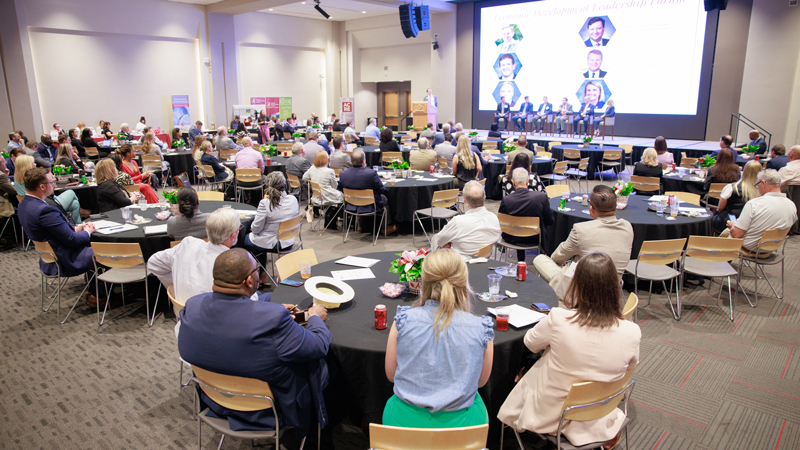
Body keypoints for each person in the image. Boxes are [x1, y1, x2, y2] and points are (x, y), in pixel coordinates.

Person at [177, 248, 330, 434]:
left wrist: (266, 309)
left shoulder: (192, 306)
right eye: (256, 269)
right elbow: (318, 345)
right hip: (268, 410)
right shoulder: (272, 320)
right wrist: (314, 317)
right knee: (329, 363)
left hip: (215, 400)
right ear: (249, 280)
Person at [499, 252, 640, 447]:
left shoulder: (559, 319)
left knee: (529, 363)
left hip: (551, 413)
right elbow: (630, 366)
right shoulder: (632, 331)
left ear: (577, 285)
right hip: (600, 409)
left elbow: (530, 343)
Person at [383, 249, 493, 428]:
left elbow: (391, 375)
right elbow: (481, 382)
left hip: (403, 427)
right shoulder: (481, 328)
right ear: (464, 282)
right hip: (464, 431)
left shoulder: (403, 320)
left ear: (424, 281)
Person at [150, 207, 270, 304]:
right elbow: (249, 302)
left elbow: (153, 262)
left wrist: (174, 285)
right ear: (233, 236)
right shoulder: (232, 263)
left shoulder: (187, 244)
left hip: (184, 317)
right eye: (239, 228)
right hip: (220, 322)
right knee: (270, 297)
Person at [533, 185, 633, 301]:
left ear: (591, 208)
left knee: (540, 259)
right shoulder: (628, 227)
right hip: (612, 291)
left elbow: (558, 256)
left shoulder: (581, 229)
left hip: (581, 291)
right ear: (615, 206)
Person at [17, 168, 99, 303]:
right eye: (52, 182)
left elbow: (55, 231)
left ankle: (94, 287)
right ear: (41, 186)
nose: (54, 185)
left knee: (93, 244)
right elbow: (72, 240)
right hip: (65, 258)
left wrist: (77, 228)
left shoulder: (24, 204)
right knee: (104, 252)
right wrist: (87, 231)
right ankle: (99, 296)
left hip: (49, 257)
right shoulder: (44, 210)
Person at [725, 169, 797, 255]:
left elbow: (737, 234)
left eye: (757, 184)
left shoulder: (754, 204)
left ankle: (718, 264)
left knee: (727, 232)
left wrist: (733, 225)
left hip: (750, 248)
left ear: (763, 183)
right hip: (772, 248)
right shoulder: (791, 205)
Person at [244, 172, 299, 269]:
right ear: (285, 185)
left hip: (274, 243)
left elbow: (256, 229)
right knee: (259, 239)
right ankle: (263, 274)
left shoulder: (265, 203)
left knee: (245, 239)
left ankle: (261, 272)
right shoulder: (293, 199)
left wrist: (252, 228)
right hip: (289, 240)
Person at [431, 181, 499, 258]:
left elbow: (440, 241)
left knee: (436, 238)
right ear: (484, 197)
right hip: (484, 258)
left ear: (465, 202)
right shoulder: (494, 218)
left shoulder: (458, 221)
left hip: (461, 262)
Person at [499, 168, 554, 261]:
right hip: (535, 238)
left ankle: (520, 260)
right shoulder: (541, 197)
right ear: (527, 181)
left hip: (512, 238)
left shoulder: (507, 200)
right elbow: (550, 220)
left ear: (513, 182)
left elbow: (501, 221)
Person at [338, 149, 396, 234]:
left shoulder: (343, 174)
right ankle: (385, 228)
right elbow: (382, 190)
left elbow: (340, 189)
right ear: (363, 161)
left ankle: (360, 226)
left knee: (359, 199)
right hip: (370, 205)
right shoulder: (371, 173)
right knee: (385, 199)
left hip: (351, 204)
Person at [714, 160, 761, 233]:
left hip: (729, 222)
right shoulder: (762, 191)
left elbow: (720, 208)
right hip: (753, 225)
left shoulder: (731, 187)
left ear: (744, 171)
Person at [303, 151, 343, 229]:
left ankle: (330, 220)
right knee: (342, 196)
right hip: (326, 196)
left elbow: (304, 178)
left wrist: (313, 180)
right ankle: (340, 221)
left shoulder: (312, 168)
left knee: (336, 198)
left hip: (316, 197)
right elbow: (335, 186)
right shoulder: (329, 171)